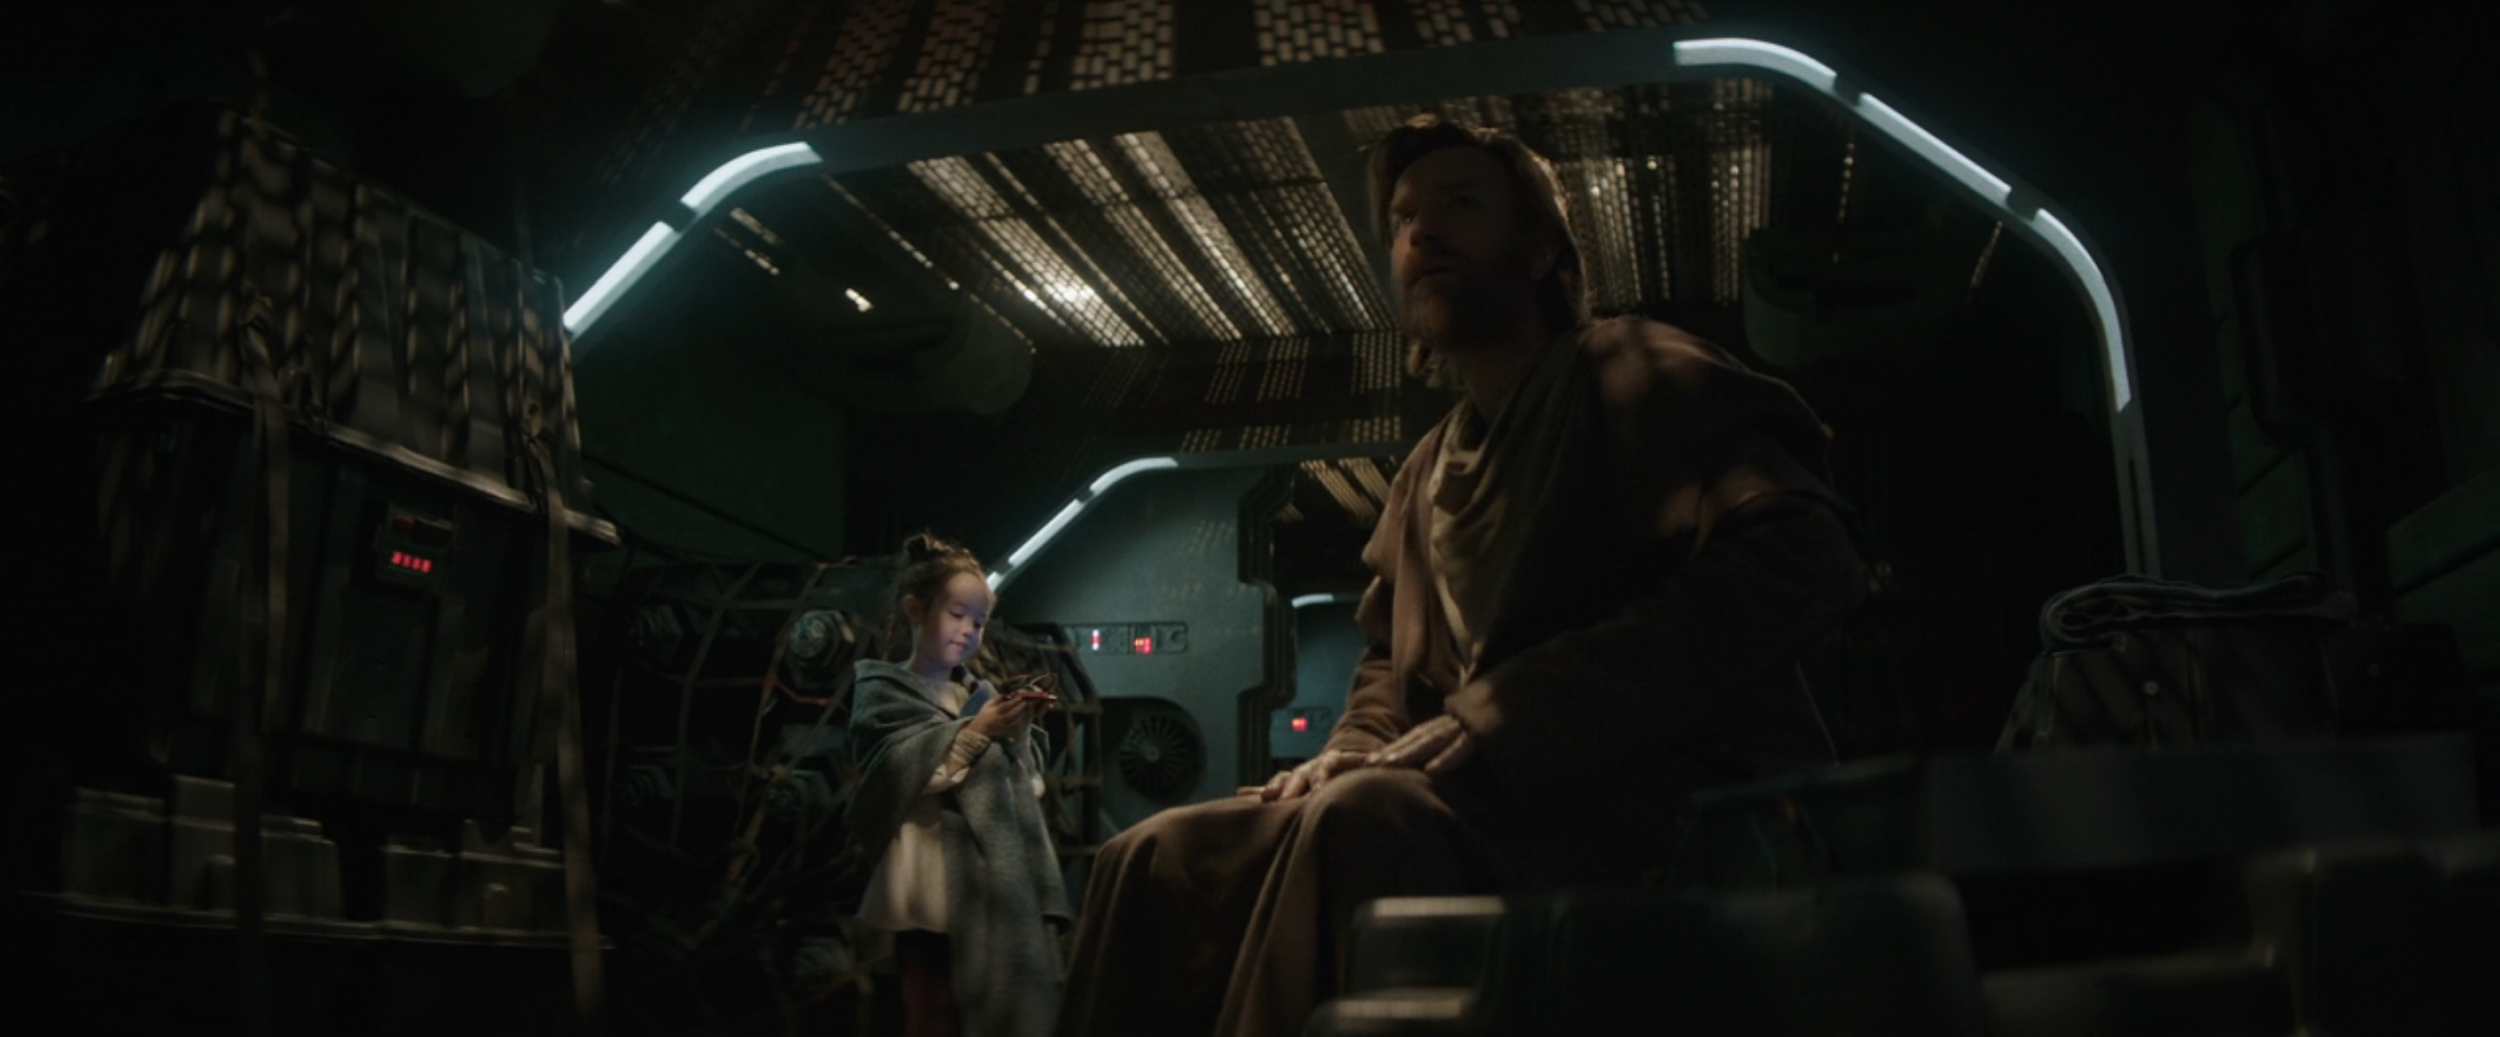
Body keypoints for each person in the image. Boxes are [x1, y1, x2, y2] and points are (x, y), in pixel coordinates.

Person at [1056, 115, 1868, 1037]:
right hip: (1497, 806)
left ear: (1541, 251)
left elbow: (1805, 559)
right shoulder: (1425, 473)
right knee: (1155, 853)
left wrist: (1516, 711)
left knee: (1365, 819)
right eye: (1405, 217)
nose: (1423, 231)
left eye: (1462, 204)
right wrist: (1350, 747)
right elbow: (1384, 667)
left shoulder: (1627, 368)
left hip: (1670, 799)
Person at [846, 533, 1070, 1037]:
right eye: (956, 614)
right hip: (926, 876)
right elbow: (897, 775)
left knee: (994, 1003)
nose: (968, 630)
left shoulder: (978, 694)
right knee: (932, 1007)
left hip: (988, 880)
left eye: (979, 621)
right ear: (915, 610)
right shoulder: (883, 692)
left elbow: (1026, 788)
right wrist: (976, 732)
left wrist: (1016, 732)